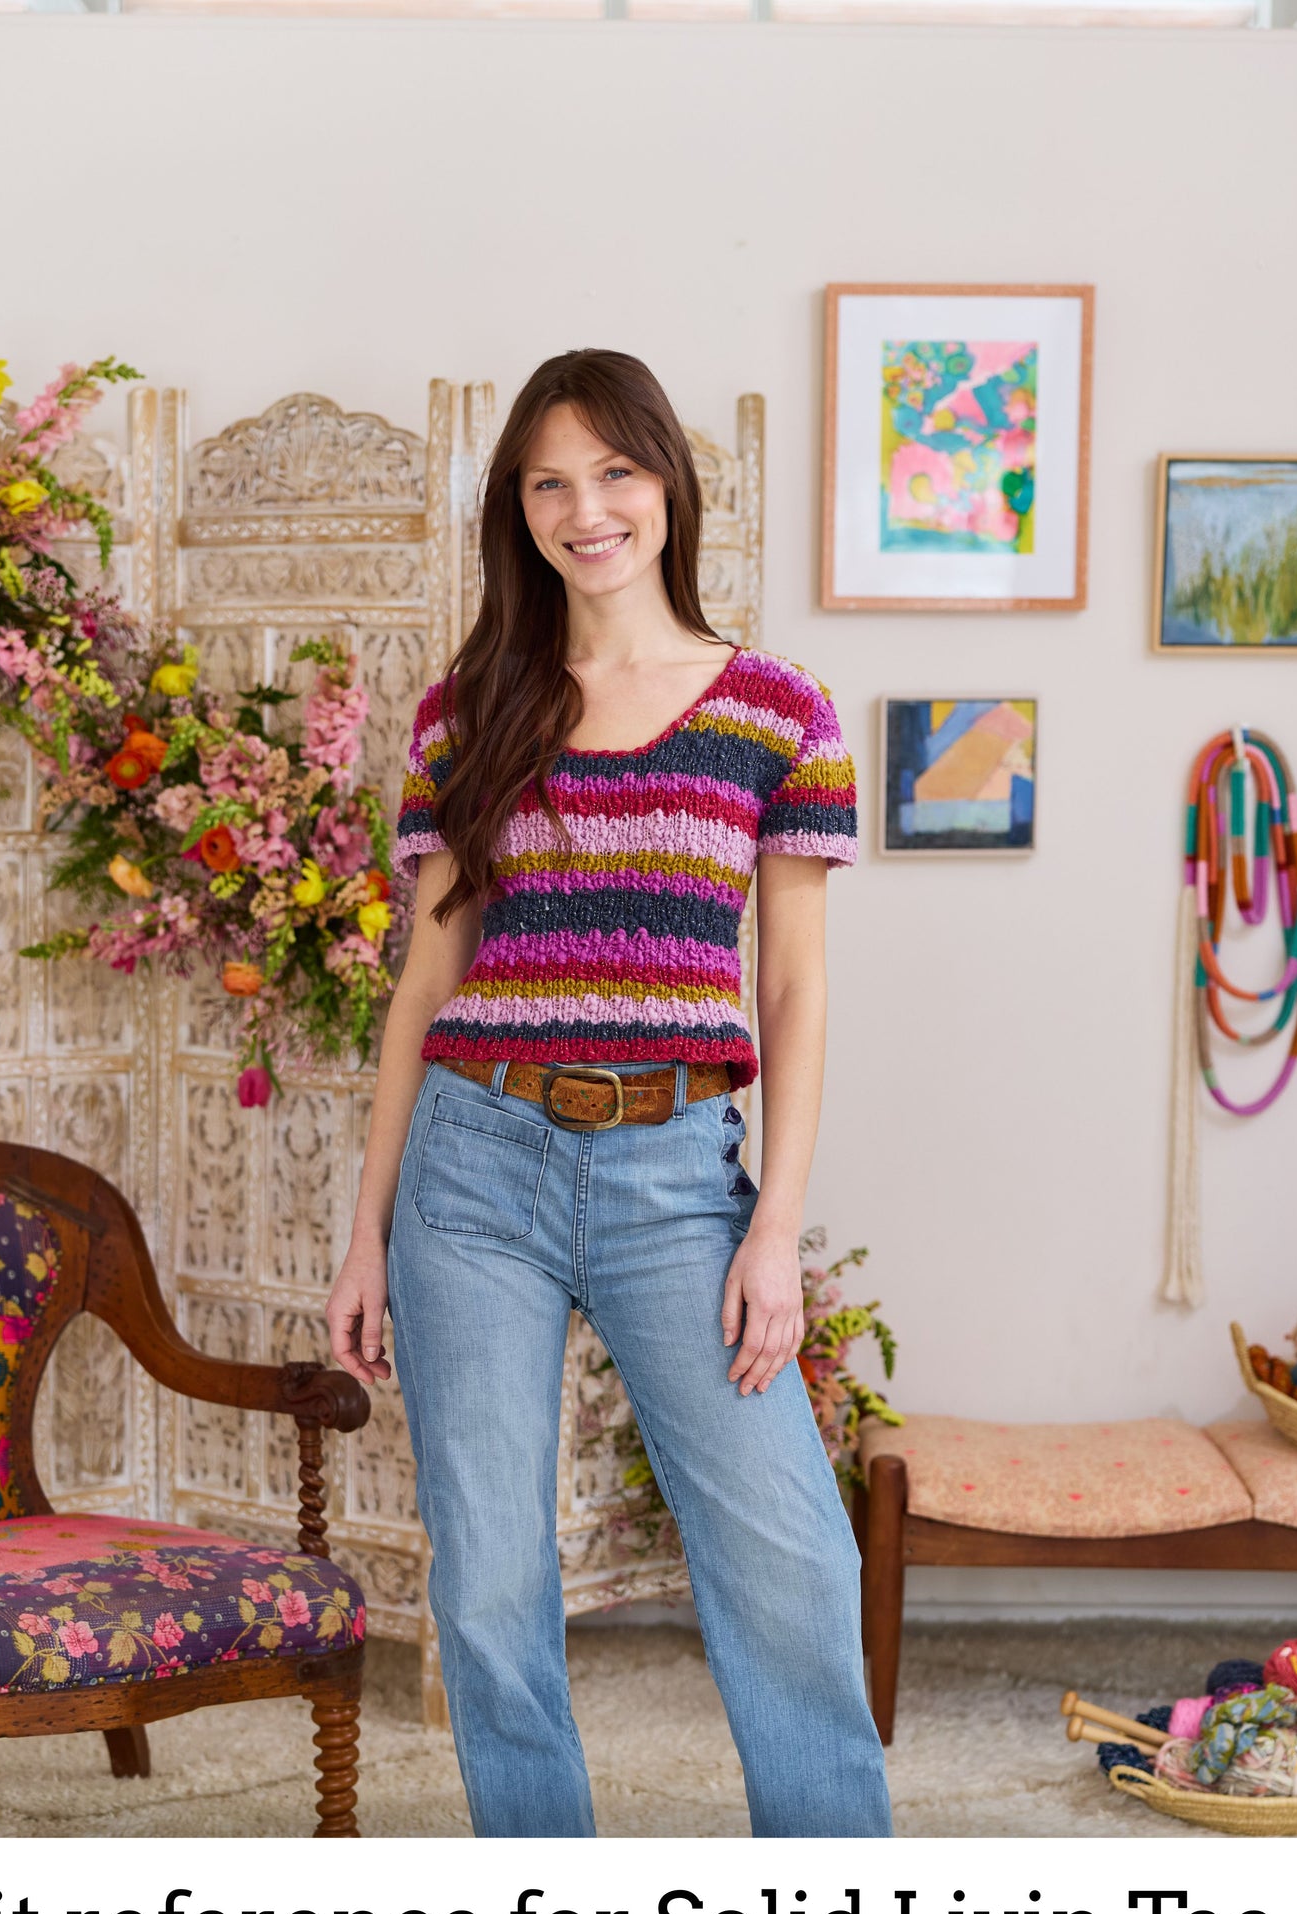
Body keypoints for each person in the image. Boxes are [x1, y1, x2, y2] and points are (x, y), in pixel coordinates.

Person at [325, 348, 891, 1838]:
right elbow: (424, 989)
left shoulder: (775, 712)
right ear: (517, 511)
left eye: (615, 472)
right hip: (472, 1168)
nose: (586, 511)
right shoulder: (469, 711)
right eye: (549, 484)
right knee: (488, 1576)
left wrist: (774, 1230)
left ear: (668, 484)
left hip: (675, 1175)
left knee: (791, 1560)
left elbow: (793, 991)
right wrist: (367, 1232)